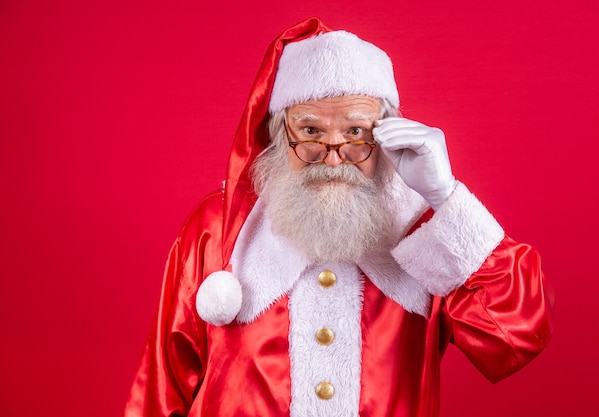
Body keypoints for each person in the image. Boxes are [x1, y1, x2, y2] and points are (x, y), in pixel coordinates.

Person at [124, 17, 554, 417]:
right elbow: (161, 389)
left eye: (355, 133)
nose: (333, 161)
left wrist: (445, 196)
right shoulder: (219, 225)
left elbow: (515, 334)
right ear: (279, 133)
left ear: (384, 135)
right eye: (310, 132)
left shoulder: (428, 226)